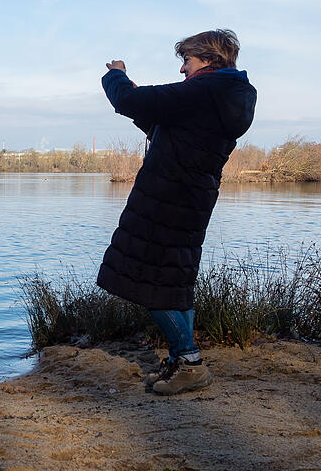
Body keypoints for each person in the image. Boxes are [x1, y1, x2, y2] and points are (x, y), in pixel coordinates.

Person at [97, 29, 257, 395]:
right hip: (190, 199)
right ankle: (181, 361)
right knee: (175, 281)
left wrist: (116, 75)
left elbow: (128, 101)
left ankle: (190, 361)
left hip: (167, 198)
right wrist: (141, 102)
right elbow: (164, 125)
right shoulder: (222, 97)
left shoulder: (204, 90)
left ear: (208, 59)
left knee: (149, 282)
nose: (183, 69)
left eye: (187, 60)